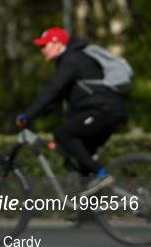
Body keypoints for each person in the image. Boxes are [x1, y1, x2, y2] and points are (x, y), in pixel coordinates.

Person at [15, 27, 128, 182]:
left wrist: (28, 115)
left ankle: (101, 176)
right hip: (106, 111)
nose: (42, 50)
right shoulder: (71, 60)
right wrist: (39, 113)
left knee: (63, 134)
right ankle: (90, 201)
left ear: (57, 44)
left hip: (102, 112)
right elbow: (57, 97)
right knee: (84, 164)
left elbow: (52, 90)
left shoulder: (71, 60)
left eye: (44, 45)